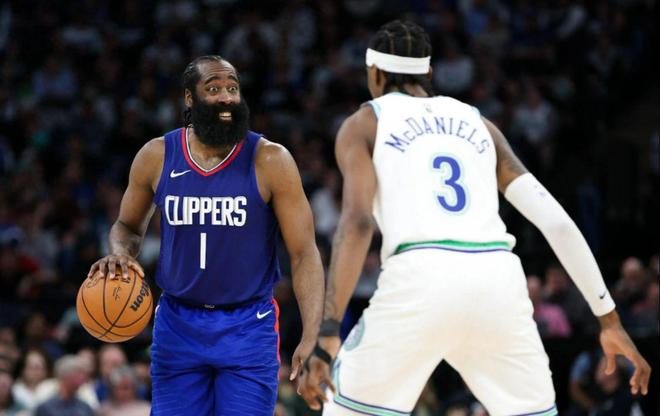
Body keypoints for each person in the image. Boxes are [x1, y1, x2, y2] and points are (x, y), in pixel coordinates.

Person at [299, 20, 651, 416]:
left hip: (419, 277)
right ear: (429, 73)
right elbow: (557, 223)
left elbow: (358, 224)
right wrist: (609, 320)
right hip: (497, 280)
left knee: (345, 408)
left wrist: (329, 330)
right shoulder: (481, 124)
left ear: (375, 73)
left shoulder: (364, 123)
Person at [87, 55, 324, 415]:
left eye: (232, 88)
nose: (227, 97)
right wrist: (121, 252)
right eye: (213, 89)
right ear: (190, 98)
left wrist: (312, 333)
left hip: (248, 326)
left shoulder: (271, 160)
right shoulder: (157, 155)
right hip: (178, 324)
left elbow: (304, 253)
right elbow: (127, 227)